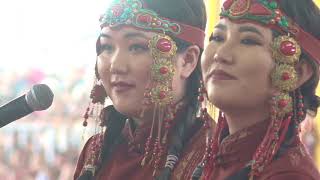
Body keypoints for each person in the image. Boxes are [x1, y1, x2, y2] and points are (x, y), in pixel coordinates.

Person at [73, 0, 212, 179]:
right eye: (107, 47)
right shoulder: (95, 152)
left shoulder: (211, 158)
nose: (116, 66)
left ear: (187, 60)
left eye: (137, 47)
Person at [195, 0, 320, 179]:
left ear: (297, 72)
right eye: (217, 37)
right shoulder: (213, 161)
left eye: (248, 40)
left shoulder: (290, 175)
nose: (220, 54)